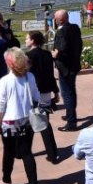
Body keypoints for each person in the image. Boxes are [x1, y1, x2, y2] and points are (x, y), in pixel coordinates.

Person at [0, 47, 42, 184]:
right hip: (27, 120)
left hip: (9, 122)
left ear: (10, 65)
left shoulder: (5, 81)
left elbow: (0, 106)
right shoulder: (30, 77)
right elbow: (37, 96)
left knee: (8, 152)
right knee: (27, 153)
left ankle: (6, 180)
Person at [26, 31, 61, 164]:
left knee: (34, 122)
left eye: (27, 38)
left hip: (33, 93)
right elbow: (51, 75)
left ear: (33, 40)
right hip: (46, 92)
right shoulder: (47, 54)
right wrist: (56, 92)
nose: (25, 41)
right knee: (42, 120)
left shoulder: (28, 56)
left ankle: (25, 151)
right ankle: (52, 152)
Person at [52, 9, 84, 132]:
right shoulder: (75, 28)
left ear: (61, 20)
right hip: (74, 64)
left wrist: (55, 54)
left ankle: (71, 122)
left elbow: (62, 47)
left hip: (65, 67)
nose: (54, 20)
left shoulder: (62, 32)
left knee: (67, 93)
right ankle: (70, 114)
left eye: (55, 18)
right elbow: (79, 45)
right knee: (71, 91)